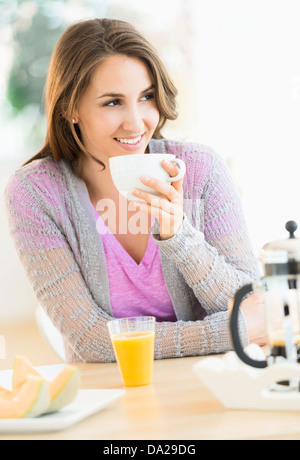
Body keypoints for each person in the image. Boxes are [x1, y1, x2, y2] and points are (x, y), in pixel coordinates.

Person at [5, 18, 265, 363]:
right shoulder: (35, 194)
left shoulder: (200, 169)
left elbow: (249, 302)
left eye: (146, 97)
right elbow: (92, 341)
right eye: (112, 102)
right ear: (70, 108)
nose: (136, 122)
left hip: (211, 386)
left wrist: (179, 236)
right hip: (110, 397)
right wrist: (230, 333)